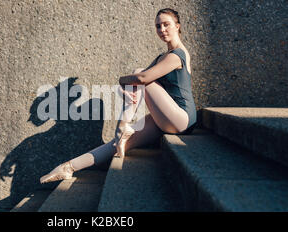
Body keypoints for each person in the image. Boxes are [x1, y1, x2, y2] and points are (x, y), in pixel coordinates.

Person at [40, 8, 197, 184]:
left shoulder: (178, 55)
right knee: (118, 144)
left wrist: (122, 81)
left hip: (182, 117)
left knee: (138, 74)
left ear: (177, 26)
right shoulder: (163, 56)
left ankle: (123, 125)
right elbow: (137, 82)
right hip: (166, 117)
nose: (162, 30)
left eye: (166, 24)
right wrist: (127, 87)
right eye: (158, 26)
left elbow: (142, 78)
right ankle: (68, 167)